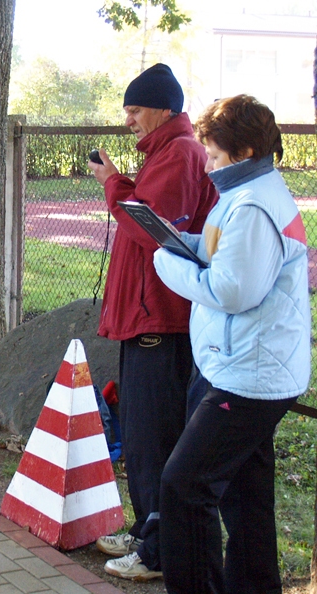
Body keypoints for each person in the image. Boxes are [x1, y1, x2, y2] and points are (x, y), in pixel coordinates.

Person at [153, 94, 309, 594]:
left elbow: (233, 289)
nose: (209, 165)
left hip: (249, 375)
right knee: (245, 498)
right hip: (247, 369)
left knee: (185, 486)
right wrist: (187, 242)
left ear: (242, 152)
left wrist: (168, 264)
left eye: (215, 156)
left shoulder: (254, 204)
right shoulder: (246, 192)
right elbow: (228, 253)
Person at [87, 63, 219, 581]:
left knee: (154, 440)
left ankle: (158, 549)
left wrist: (114, 183)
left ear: (164, 109)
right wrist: (120, 180)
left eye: (135, 110)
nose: (129, 120)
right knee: (142, 439)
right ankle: (149, 531)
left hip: (160, 324)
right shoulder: (169, 152)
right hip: (146, 319)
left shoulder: (181, 153)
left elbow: (153, 228)